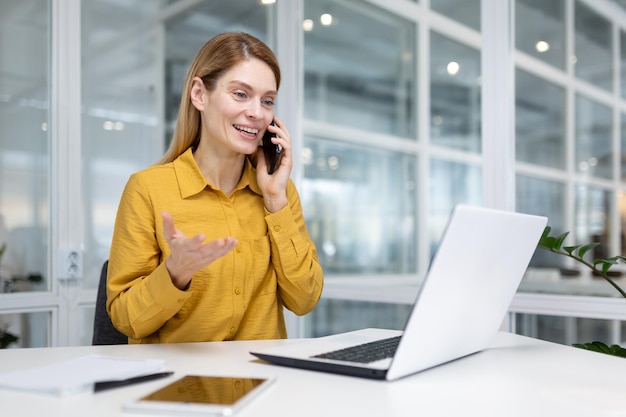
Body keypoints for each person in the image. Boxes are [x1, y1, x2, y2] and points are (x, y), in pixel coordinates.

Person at [106, 32, 324, 344]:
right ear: (199, 94)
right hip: (181, 389)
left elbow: (305, 300)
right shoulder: (147, 189)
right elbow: (126, 319)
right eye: (240, 94)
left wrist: (275, 199)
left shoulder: (279, 193)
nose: (257, 113)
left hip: (265, 387)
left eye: (267, 101)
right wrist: (175, 273)